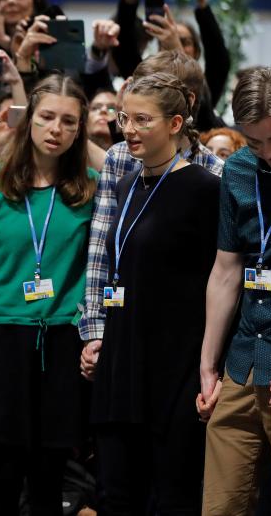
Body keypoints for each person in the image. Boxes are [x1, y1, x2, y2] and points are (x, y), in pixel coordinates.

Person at [0, 74, 97, 515]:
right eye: (47, 117)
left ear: (80, 130)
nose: (56, 129)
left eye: (69, 122)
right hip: (2, 340)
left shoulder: (92, 188)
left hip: (63, 341)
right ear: (28, 120)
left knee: (49, 476)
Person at [88, 73, 219, 515]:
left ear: (176, 123)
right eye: (125, 118)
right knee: (114, 495)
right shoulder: (125, 187)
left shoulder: (204, 190)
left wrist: (209, 367)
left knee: (170, 496)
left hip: (173, 370)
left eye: (143, 120)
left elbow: (217, 284)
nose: (129, 129)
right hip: (120, 366)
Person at [195, 66, 271, 516]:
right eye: (256, 141)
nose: (268, 153)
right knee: (221, 505)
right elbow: (226, 271)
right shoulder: (240, 170)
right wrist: (209, 365)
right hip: (241, 364)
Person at [79, 50, 224, 366]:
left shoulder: (214, 173)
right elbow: (102, 250)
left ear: (181, 105)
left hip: (180, 334)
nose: (131, 126)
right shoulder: (120, 159)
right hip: (122, 324)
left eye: (144, 115)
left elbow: (220, 271)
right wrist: (95, 328)